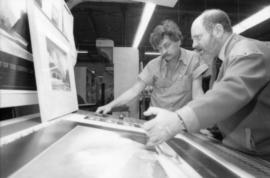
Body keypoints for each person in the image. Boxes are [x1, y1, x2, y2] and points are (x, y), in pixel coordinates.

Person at [142, 9, 270, 160]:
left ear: (218, 30)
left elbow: (228, 95)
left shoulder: (248, 52)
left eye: (198, 37)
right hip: (240, 148)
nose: (194, 45)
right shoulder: (220, 60)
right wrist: (213, 128)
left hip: (260, 155)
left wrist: (179, 120)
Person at [96, 19, 208, 114]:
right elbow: (134, 90)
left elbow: (197, 93)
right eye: (159, 49)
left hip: (180, 122)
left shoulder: (193, 59)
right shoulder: (153, 65)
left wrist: (204, 118)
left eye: (167, 45)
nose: (163, 52)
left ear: (178, 40)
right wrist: (110, 105)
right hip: (156, 119)